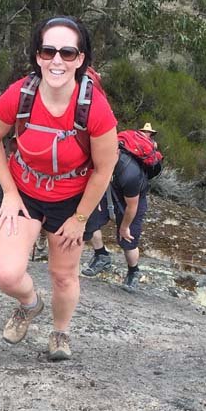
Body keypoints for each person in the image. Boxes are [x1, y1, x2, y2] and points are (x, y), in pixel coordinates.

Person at [0, 16, 118, 361]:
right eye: (48, 51)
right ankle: (29, 304)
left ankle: (60, 333)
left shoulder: (95, 108)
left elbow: (104, 168)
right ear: (38, 55)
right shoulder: (21, 94)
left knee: (63, 275)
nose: (57, 60)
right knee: (7, 274)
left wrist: (81, 218)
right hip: (24, 191)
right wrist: (10, 193)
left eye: (68, 53)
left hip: (72, 199)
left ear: (81, 58)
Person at [82, 121, 157, 292]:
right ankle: (102, 255)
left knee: (127, 240)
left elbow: (132, 206)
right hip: (108, 189)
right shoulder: (99, 158)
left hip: (131, 200)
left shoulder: (130, 173)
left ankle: (133, 271)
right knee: (87, 221)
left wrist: (124, 227)